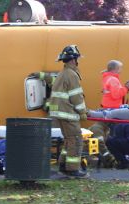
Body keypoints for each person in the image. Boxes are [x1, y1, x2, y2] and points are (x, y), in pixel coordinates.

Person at [48, 45, 88, 178]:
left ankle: (64, 166)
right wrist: (82, 111)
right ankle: (72, 170)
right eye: (77, 59)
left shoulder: (63, 73)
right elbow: (76, 95)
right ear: (73, 60)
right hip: (68, 113)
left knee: (69, 140)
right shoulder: (71, 74)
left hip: (59, 112)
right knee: (76, 140)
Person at [89, 60, 129, 168]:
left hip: (108, 110)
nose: (121, 70)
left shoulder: (107, 78)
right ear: (116, 69)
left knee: (103, 131)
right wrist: (127, 88)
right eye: (120, 68)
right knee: (113, 134)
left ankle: (99, 157)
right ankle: (114, 159)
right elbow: (116, 94)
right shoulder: (113, 79)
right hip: (113, 111)